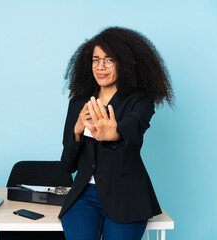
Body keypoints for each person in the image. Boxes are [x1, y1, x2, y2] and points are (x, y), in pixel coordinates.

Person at [59, 27, 174, 240]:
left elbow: (134, 124)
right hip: (84, 196)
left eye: (109, 60)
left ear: (125, 63)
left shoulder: (140, 101)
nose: (100, 66)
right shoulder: (78, 102)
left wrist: (115, 133)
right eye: (95, 60)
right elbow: (67, 165)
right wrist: (76, 131)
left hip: (127, 196)